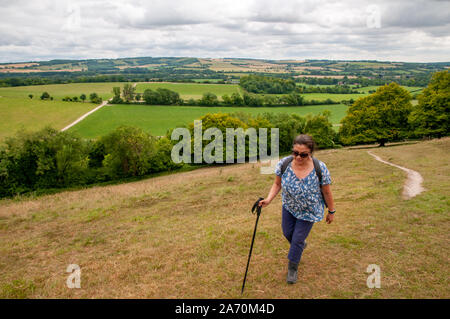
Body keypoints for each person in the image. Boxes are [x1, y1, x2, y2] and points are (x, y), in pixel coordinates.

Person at [258, 134, 336, 284]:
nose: (298, 157)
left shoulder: (320, 168)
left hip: (309, 211)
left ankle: (292, 268)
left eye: (303, 154)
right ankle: (300, 245)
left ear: (310, 153)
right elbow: (277, 184)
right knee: (287, 233)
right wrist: (268, 199)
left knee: (297, 239)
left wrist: (331, 211)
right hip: (289, 206)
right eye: (295, 153)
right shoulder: (284, 164)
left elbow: (326, 192)